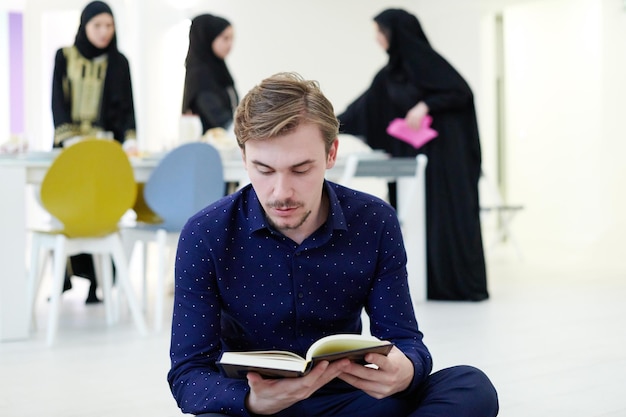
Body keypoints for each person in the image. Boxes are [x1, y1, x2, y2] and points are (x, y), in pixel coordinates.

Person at [167, 72, 498, 417]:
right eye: (263, 170)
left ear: (331, 154)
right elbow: (188, 374)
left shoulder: (374, 221)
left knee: (471, 387)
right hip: (256, 405)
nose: (281, 193)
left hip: (349, 400)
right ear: (243, 157)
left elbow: (406, 341)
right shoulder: (206, 233)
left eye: (300, 169)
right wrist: (252, 401)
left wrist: (406, 370)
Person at [338, 8, 488, 301]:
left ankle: (456, 285)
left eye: (381, 32)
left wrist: (426, 105)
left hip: (444, 161)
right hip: (412, 161)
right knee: (421, 217)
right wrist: (326, 124)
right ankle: (428, 282)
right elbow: (363, 109)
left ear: (396, 34)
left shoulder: (427, 63)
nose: (378, 39)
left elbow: (461, 93)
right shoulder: (390, 74)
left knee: (445, 216)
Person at [50, 0, 137, 303]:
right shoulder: (64, 56)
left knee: (102, 213)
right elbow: (57, 102)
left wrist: (129, 139)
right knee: (67, 212)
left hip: (104, 152)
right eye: (97, 25)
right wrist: (70, 139)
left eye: (109, 26)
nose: (104, 32)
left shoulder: (119, 61)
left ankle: (98, 284)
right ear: (84, 25)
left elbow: (127, 107)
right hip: (70, 150)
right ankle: (64, 279)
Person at [182, 14, 238, 135]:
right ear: (208, 37)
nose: (230, 45)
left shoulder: (220, 70)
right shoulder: (199, 74)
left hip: (229, 140)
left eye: (232, 39)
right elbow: (217, 116)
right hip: (210, 147)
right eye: (225, 38)